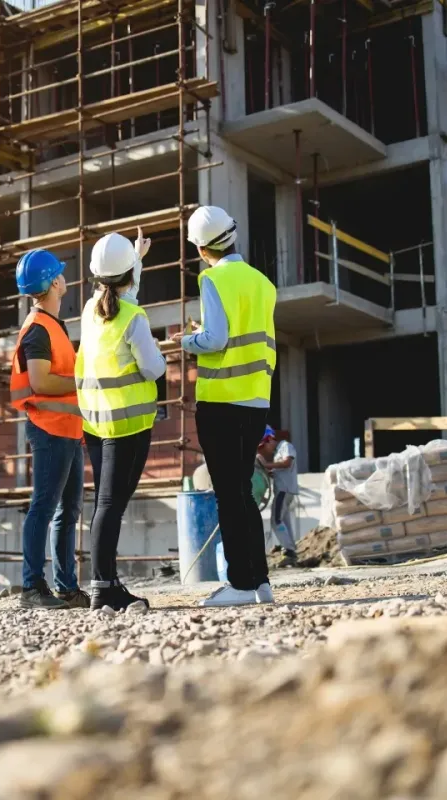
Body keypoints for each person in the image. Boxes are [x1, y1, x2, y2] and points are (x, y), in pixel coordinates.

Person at [173, 205, 277, 607]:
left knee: (228, 495)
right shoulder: (263, 283)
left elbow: (216, 340)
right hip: (256, 400)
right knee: (243, 493)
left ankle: (240, 582)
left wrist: (187, 341)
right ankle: (260, 580)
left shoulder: (212, 279)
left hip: (222, 401)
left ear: (200, 249)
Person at [77, 229, 166, 611]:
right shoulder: (134, 317)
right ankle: (103, 588)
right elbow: (154, 368)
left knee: (106, 503)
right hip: (128, 425)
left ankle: (106, 583)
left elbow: (119, 292)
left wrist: (136, 259)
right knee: (110, 505)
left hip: (96, 422)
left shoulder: (89, 309)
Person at [10, 250, 89, 609]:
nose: (64, 278)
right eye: (60, 274)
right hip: (49, 429)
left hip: (68, 429)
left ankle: (66, 587)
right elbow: (40, 381)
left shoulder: (52, 325)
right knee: (43, 506)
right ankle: (32, 587)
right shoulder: (38, 329)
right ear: (55, 283)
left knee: (67, 511)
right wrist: (83, 380)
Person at [269, 428, 300, 565]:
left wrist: (267, 465)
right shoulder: (278, 450)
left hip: (284, 490)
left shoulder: (286, 446)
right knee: (285, 521)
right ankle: (291, 551)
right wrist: (272, 471)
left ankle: (288, 550)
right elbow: (281, 467)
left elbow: (287, 462)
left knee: (276, 521)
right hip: (285, 489)